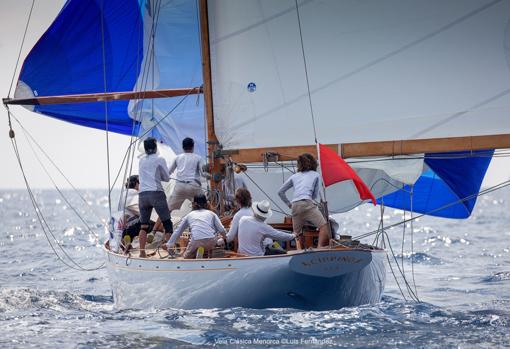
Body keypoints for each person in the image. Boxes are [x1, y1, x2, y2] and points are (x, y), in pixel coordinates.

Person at [277, 153, 329, 247]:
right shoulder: (316, 175)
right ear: (313, 163)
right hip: (307, 203)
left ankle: (299, 251)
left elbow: (280, 192)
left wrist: (289, 204)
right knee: (324, 228)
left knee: (296, 234)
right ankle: (319, 249)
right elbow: (315, 195)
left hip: (295, 205)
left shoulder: (294, 176)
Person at [137, 137, 173, 258]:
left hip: (142, 195)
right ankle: (170, 251)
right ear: (156, 147)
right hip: (156, 193)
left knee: (143, 226)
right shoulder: (160, 159)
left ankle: (142, 252)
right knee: (167, 223)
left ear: (146, 149)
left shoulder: (141, 160)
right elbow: (167, 178)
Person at [166, 194, 226, 259]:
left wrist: (169, 244)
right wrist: (225, 238)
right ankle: (205, 253)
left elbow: (178, 231)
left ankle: (196, 254)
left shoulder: (189, 215)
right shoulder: (212, 214)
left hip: (197, 241)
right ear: (206, 204)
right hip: (211, 241)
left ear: (193, 204)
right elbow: (221, 229)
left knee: (187, 257)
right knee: (212, 242)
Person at [167, 137, 206, 213]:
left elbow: (168, 172)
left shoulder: (177, 157)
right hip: (194, 186)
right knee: (202, 206)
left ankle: (157, 225)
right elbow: (204, 174)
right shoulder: (198, 158)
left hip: (180, 186)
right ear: (193, 146)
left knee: (168, 210)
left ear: (182, 147)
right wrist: (211, 175)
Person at [121, 175, 155, 244]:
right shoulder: (132, 193)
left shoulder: (125, 193)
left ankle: (129, 244)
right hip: (129, 229)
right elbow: (143, 211)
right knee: (158, 222)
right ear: (136, 184)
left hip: (125, 230)